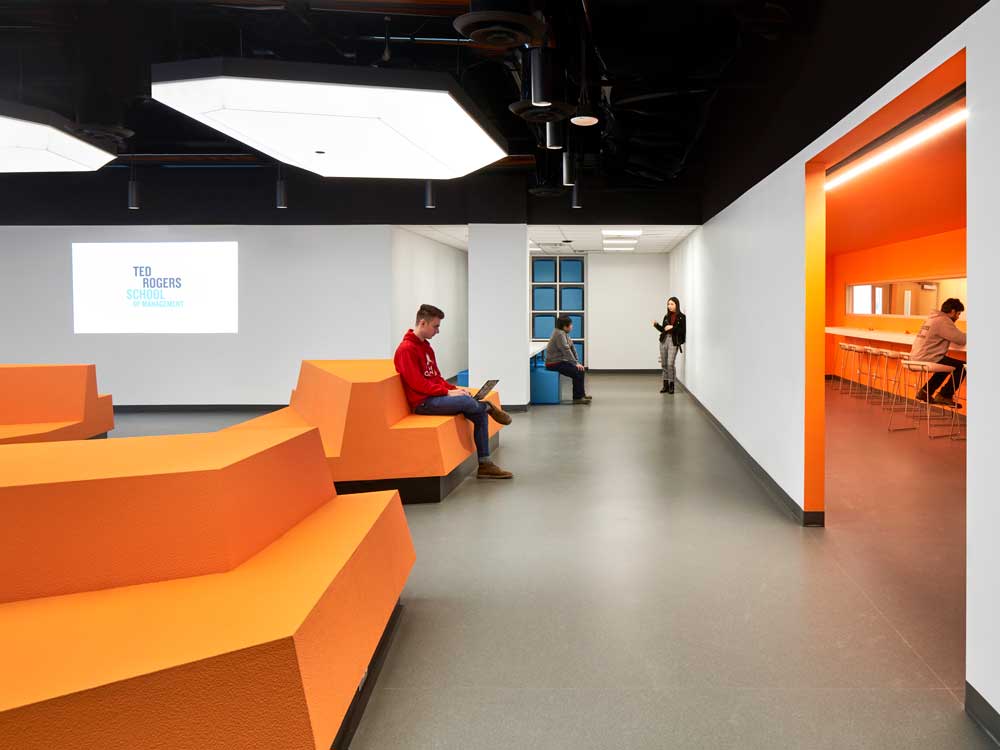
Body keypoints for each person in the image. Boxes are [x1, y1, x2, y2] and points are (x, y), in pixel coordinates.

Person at [394, 303, 514, 479]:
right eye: (435, 326)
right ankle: (486, 407)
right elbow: (417, 383)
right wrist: (448, 393)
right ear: (422, 323)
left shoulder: (426, 347)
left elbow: (436, 378)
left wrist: (454, 389)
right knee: (467, 403)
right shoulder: (406, 350)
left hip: (435, 397)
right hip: (423, 403)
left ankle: (485, 464)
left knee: (475, 411)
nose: (438, 331)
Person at [910, 297, 967, 408]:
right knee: (962, 366)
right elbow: (961, 340)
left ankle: (925, 392)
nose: (958, 317)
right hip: (927, 357)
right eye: (958, 314)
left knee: (946, 365)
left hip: (917, 356)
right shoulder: (944, 321)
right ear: (953, 311)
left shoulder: (932, 318)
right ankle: (945, 395)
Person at [544, 316, 591, 404]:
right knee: (577, 371)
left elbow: (572, 347)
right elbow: (566, 350)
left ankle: (581, 395)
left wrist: (576, 362)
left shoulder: (563, 333)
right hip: (553, 363)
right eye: (570, 325)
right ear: (565, 326)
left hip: (559, 361)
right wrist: (575, 363)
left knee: (580, 370)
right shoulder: (559, 334)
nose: (572, 326)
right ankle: (578, 398)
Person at [652, 297, 686, 394]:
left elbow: (682, 331)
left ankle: (672, 385)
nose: (669, 306)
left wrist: (673, 327)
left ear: (676, 305)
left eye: (672, 304)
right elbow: (664, 329)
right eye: (668, 304)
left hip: (673, 341)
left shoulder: (682, 317)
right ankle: (665, 385)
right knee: (664, 364)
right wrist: (656, 325)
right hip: (663, 341)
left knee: (670, 364)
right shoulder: (666, 316)